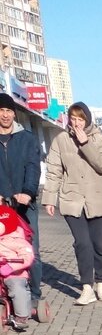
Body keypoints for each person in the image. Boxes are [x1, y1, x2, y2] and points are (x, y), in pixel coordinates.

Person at [42, 101, 102, 306]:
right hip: (72, 199)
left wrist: (86, 144)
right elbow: (54, 171)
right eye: (73, 119)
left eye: (80, 119)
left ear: (87, 120)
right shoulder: (61, 140)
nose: (76, 123)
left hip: (98, 198)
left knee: (101, 244)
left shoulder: (99, 138)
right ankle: (87, 287)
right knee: (82, 243)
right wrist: (49, 199)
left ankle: (101, 282)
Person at [0, 92, 44, 320]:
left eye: (8, 110)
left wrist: (27, 192)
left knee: (30, 250)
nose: (5, 115)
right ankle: (4, 294)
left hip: (24, 204)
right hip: (1, 205)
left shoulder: (27, 138)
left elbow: (33, 167)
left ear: (14, 113)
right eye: (1, 110)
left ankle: (34, 294)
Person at [0, 203, 35, 331]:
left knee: (16, 288)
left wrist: (10, 267)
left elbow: (27, 257)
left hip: (15, 274)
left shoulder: (17, 240)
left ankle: (21, 316)